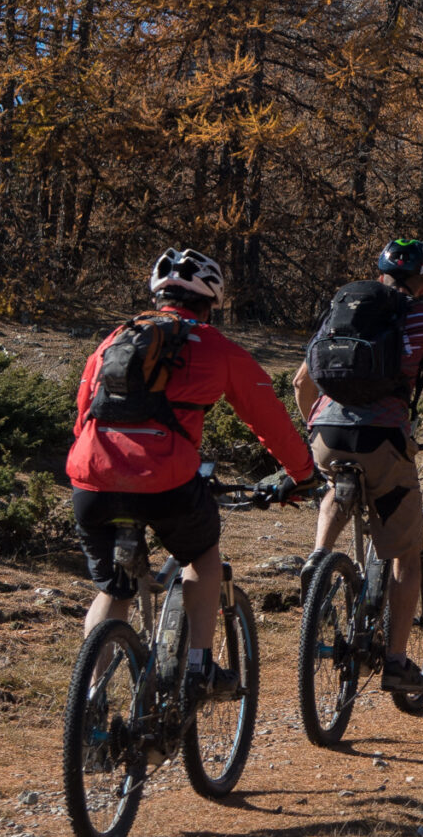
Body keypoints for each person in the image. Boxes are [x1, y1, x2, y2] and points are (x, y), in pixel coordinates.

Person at [67, 247, 315, 698]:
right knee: (202, 558)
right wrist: (302, 473)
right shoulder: (216, 347)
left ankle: (89, 710)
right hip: (164, 478)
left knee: (114, 590)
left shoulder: (114, 340)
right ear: (210, 303)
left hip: (92, 476)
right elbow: (269, 419)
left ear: (161, 296)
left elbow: (83, 413)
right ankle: (198, 668)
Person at [283, 238, 423, 693]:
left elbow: (302, 381)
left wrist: (314, 428)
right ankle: (397, 663)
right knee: (406, 554)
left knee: (335, 483)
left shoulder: (345, 309)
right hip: (383, 439)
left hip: (326, 433)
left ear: (379, 274)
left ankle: (319, 557)